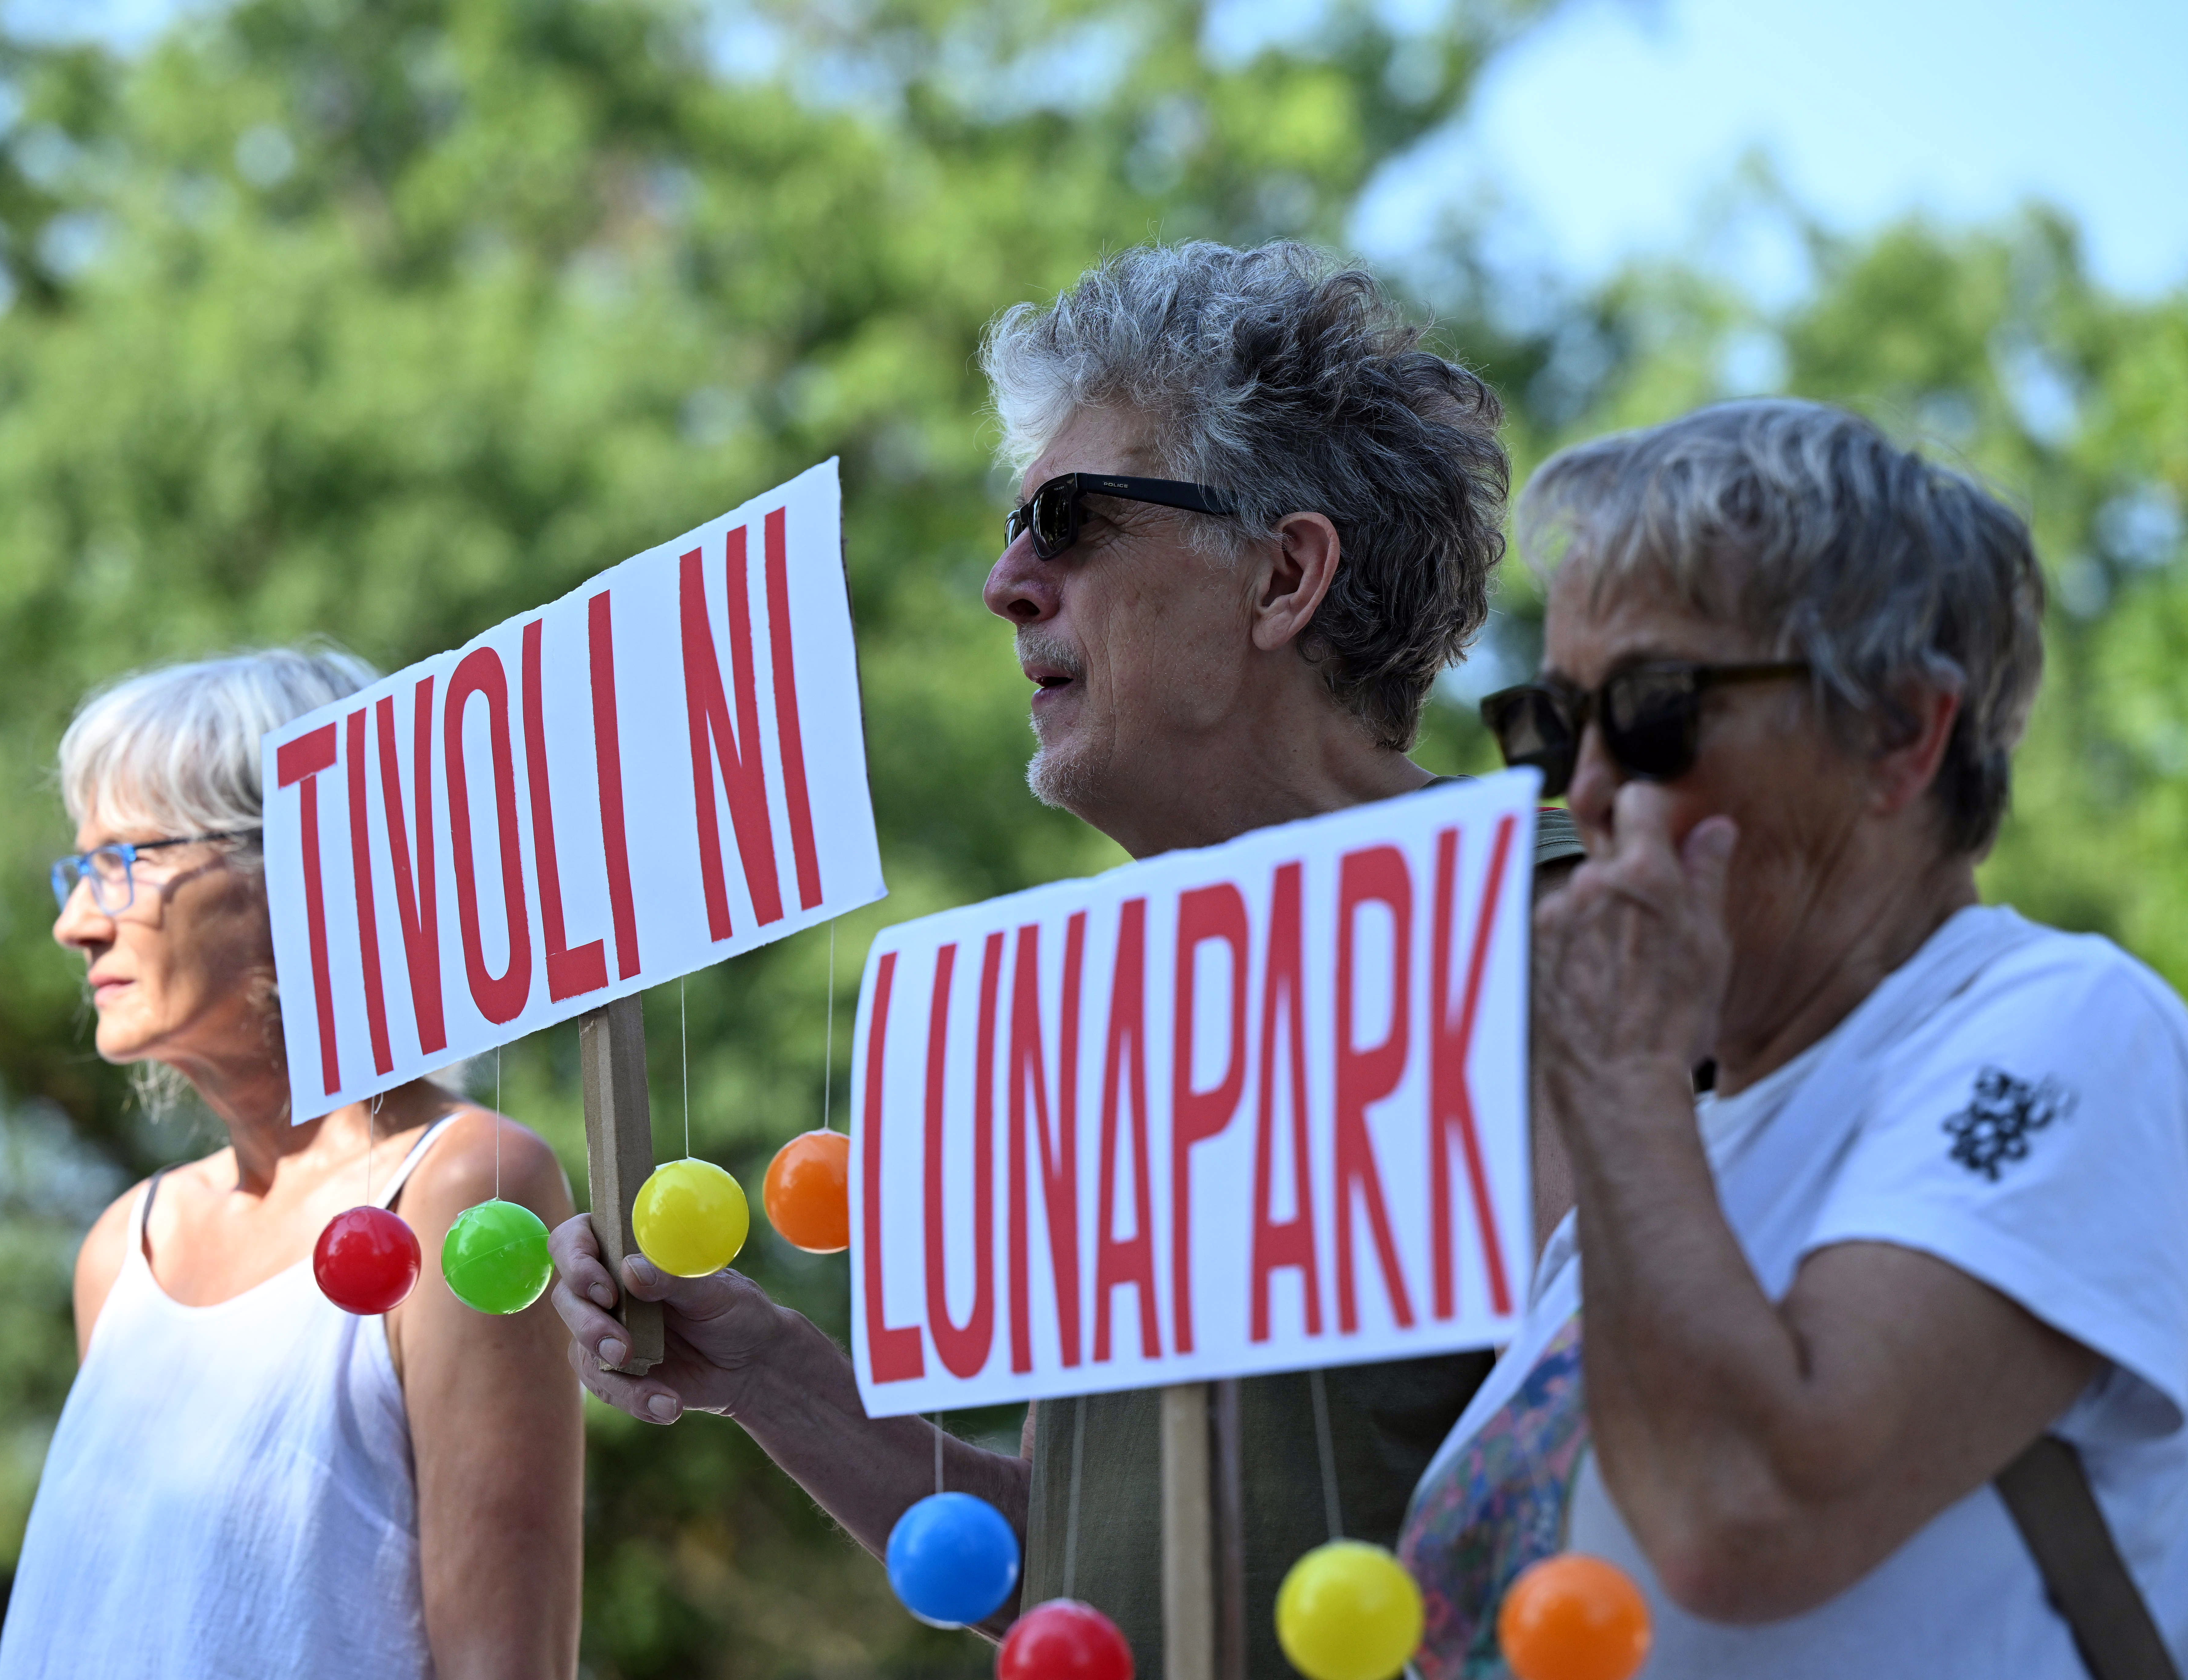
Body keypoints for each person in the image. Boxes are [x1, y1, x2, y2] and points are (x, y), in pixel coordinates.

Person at [545, 241, 1581, 1675]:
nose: (1005, 582)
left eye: (1071, 520)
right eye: (1015, 526)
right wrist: (777, 1375)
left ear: (1284, 576)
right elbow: (1074, 1574)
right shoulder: (1115, 992)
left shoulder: (1544, 929)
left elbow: (1638, 1504)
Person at [1404, 399, 2188, 1675]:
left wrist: (1620, 1074)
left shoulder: (2066, 1025)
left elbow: (1745, 1518)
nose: (1588, 789)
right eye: (1552, 725)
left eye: (1653, 710)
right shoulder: (1639, 1187)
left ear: (1899, 731)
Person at [0, 648, 584, 1680]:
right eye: (80, 869)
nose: (75, 923)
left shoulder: (461, 1188)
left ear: (305, 866)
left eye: (125, 860)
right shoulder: (124, 1251)